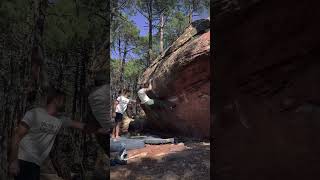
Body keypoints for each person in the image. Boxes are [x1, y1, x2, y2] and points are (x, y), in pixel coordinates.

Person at [8, 88, 108, 180]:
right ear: (56, 100)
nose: (64, 104)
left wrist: (101, 130)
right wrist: (14, 161)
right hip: (23, 159)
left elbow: (82, 126)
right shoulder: (34, 113)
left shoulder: (60, 120)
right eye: (63, 100)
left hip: (36, 163)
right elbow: (17, 136)